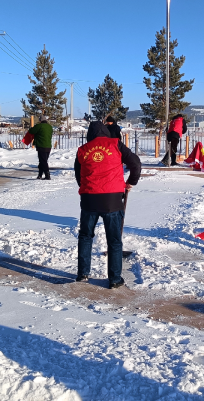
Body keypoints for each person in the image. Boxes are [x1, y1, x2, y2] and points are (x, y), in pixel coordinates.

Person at [74, 121, 141, 289]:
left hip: (89, 199)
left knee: (85, 236)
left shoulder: (83, 150)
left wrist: (87, 187)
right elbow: (135, 164)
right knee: (114, 240)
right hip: (112, 200)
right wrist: (131, 182)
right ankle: (115, 279)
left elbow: (78, 175)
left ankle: (82, 274)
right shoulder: (116, 144)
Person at [28, 115, 53, 180]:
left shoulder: (39, 126)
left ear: (40, 120)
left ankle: (47, 175)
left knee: (43, 161)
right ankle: (40, 175)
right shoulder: (50, 127)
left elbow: (31, 131)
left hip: (41, 146)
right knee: (43, 161)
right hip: (48, 146)